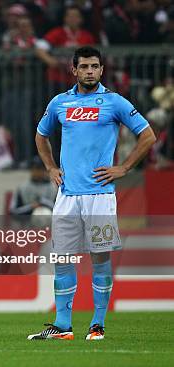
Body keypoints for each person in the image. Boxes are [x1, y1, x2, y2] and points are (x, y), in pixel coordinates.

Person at [29, 46, 156, 341]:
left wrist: (124, 167)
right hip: (67, 194)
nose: (89, 71)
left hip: (99, 194)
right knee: (62, 259)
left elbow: (147, 135)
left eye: (94, 66)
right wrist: (49, 167)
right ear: (74, 70)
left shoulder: (114, 102)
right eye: (84, 66)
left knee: (99, 257)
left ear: (101, 70)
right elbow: (40, 135)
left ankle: (97, 325)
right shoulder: (60, 103)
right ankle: (63, 327)